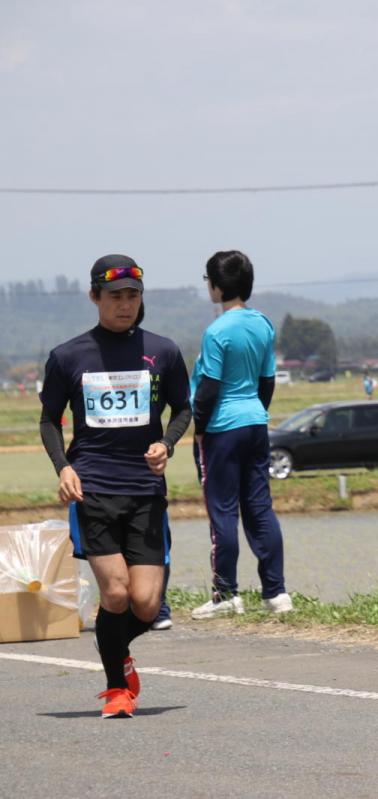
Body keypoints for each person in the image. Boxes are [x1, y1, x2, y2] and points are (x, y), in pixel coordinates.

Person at [39, 255, 191, 717]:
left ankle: (114, 645)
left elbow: (183, 408)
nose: (125, 305)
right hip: (94, 490)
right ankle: (117, 688)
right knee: (117, 593)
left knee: (145, 604)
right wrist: (63, 467)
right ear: (95, 297)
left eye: (132, 296)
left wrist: (166, 443)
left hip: (145, 490)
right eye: (115, 297)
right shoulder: (68, 356)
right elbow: (49, 420)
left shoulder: (163, 351)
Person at [190, 250, 292, 619]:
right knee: (260, 507)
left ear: (216, 286)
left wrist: (199, 429)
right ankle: (276, 593)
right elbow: (267, 380)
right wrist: (256, 412)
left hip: (222, 428)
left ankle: (226, 594)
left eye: (208, 281)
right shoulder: (263, 324)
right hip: (255, 422)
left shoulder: (217, 331)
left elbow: (209, 387)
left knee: (222, 511)